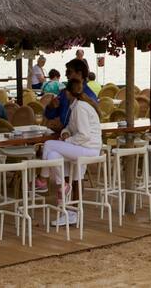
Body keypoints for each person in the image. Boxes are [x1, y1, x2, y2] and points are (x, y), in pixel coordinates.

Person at [34, 79, 102, 226]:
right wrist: (65, 133)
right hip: (84, 147)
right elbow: (71, 128)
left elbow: (84, 135)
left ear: (68, 93)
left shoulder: (80, 107)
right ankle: (63, 190)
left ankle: (42, 179)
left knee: (48, 144)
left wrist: (67, 141)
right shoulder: (77, 106)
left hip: (89, 149)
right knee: (53, 155)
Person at [43, 58, 97, 131]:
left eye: (68, 72)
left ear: (79, 73)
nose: (65, 75)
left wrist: (64, 127)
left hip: (79, 138)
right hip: (62, 134)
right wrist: (51, 107)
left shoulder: (89, 96)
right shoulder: (64, 93)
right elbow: (50, 116)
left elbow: (87, 125)